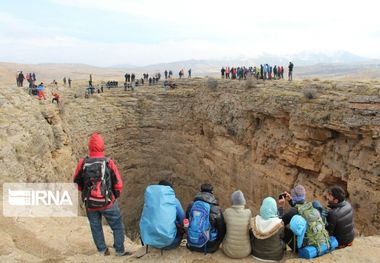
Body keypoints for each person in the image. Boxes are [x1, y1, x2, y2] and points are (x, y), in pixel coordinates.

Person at [73, 133, 130, 256]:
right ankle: (119, 251)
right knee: (117, 226)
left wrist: (87, 194)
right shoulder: (108, 163)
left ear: (89, 147)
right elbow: (118, 184)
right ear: (102, 146)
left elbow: (77, 183)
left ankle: (102, 250)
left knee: (96, 227)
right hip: (108, 202)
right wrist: (113, 197)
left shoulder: (83, 163)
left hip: (90, 204)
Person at [140, 180, 185, 250]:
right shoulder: (174, 200)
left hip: (150, 242)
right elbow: (183, 219)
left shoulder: (149, 200)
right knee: (180, 229)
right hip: (169, 243)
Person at [186, 183, 226, 253]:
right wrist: (218, 243)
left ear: (200, 191)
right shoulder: (215, 208)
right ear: (212, 192)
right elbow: (221, 229)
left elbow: (186, 221)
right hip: (209, 246)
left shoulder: (191, 205)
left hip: (191, 243)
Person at [251, 197, 285, 261]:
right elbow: (282, 237)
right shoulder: (279, 223)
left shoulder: (255, 221)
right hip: (275, 256)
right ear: (274, 208)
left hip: (256, 254)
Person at [222, 190, 251, 259]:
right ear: (243, 200)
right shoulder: (248, 212)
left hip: (228, 251)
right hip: (245, 251)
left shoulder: (227, 212)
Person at [278, 184, 307, 250]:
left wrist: (281, 207)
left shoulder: (292, 212)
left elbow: (280, 223)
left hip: (298, 246)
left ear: (295, 196)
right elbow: (298, 209)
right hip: (306, 242)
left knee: (286, 227)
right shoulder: (308, 205)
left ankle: (281, 247)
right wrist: (290, 201)